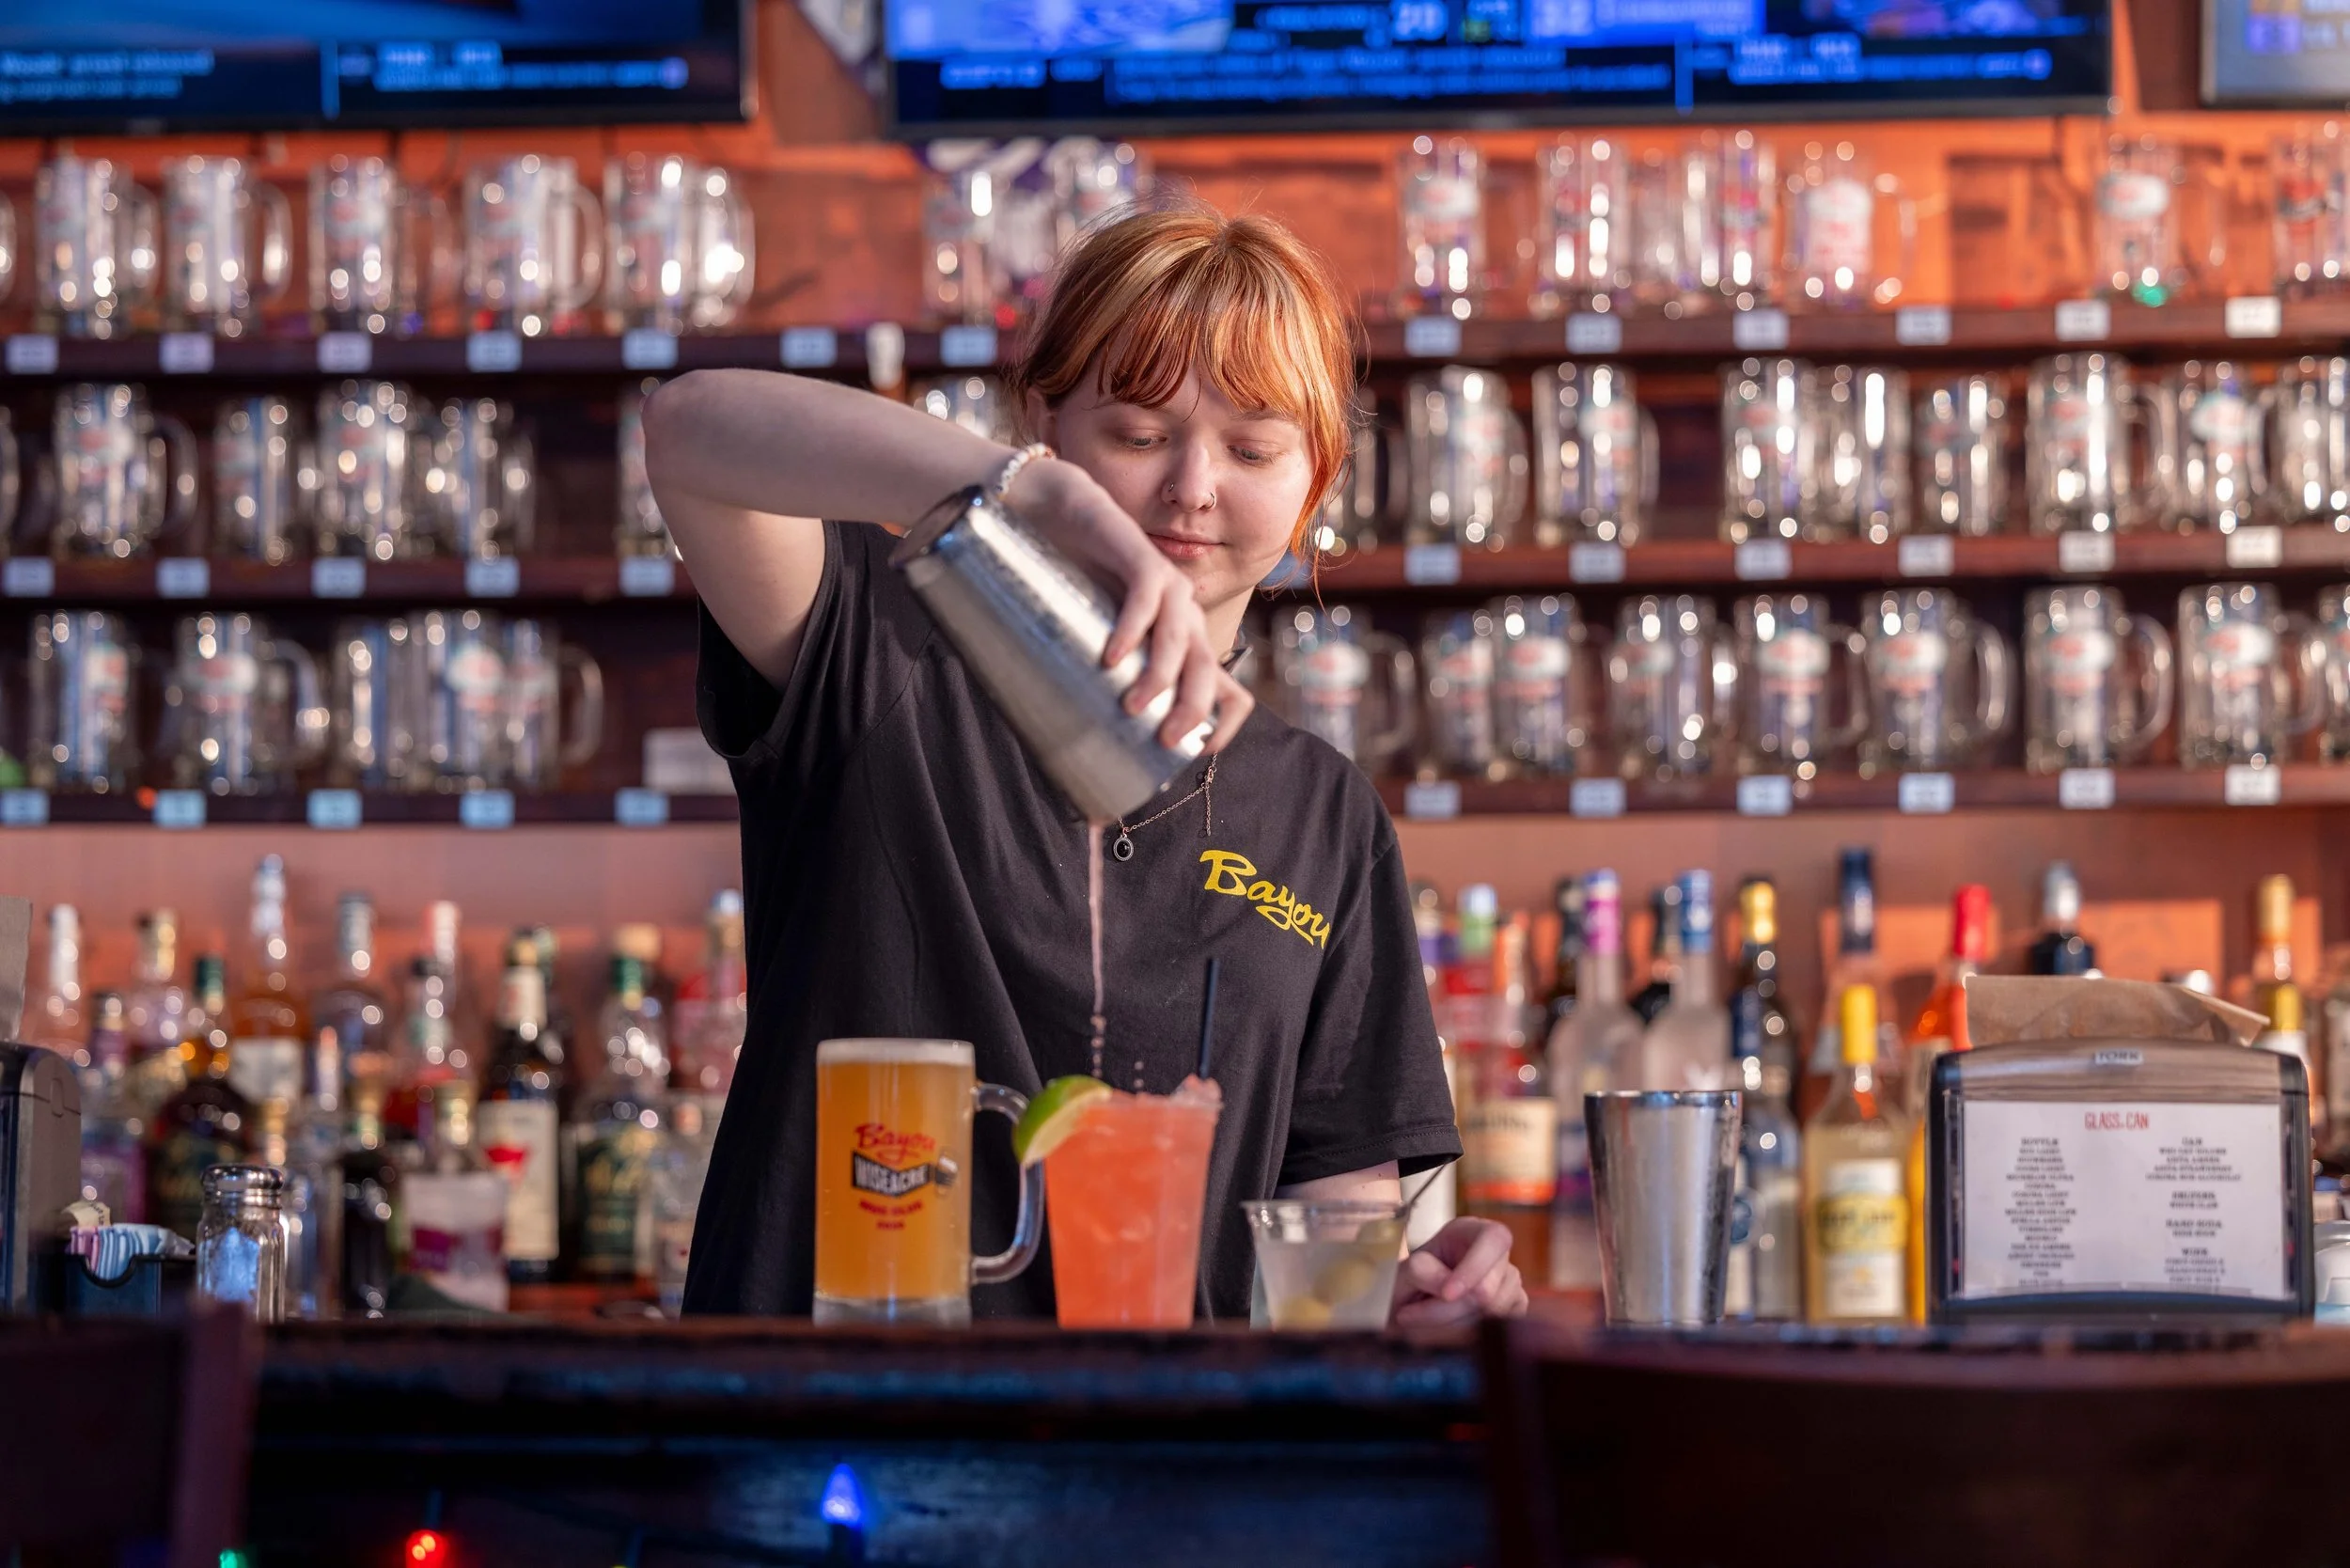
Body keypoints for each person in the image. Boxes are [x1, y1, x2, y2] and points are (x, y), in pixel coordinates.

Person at [647, 200, 1528, 1325]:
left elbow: (1330, 1250)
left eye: (1252, 449)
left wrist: (1400, 1296)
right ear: (1045, 422)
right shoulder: (876, 655)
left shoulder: (1322, 816)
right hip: (828, 1425)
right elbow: (687, 432)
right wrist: (1018, 493)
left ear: (1315, 484)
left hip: (1160, 1463)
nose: (1193, 489)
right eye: (1138, 433)